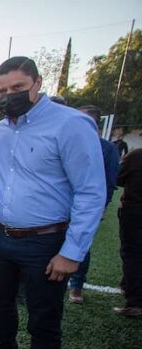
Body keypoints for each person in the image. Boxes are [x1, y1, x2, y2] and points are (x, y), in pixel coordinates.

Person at [0, 57, 105, 349]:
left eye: (17, 88)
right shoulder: (2, 128)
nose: (8, 96)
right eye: (1, 91)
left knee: (43, 321)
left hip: (45, 242)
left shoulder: (70, 124)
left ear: (37, 83)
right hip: (1, 236)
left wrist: (71, 251)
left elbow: (91, 192)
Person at [68, 105, 120, 304]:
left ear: (95, 124)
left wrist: (100, 208)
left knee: (80, 246)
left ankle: (76, 287)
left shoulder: (107, 149)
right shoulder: (68, 144)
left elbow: (108, 181)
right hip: (59, 207)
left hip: (85, 208)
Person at [114, 148, 142, 317]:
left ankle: (135, 302)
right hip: (134, 212)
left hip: (135, 212)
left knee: (133, 255)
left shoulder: (136, 156)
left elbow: (118, 178)